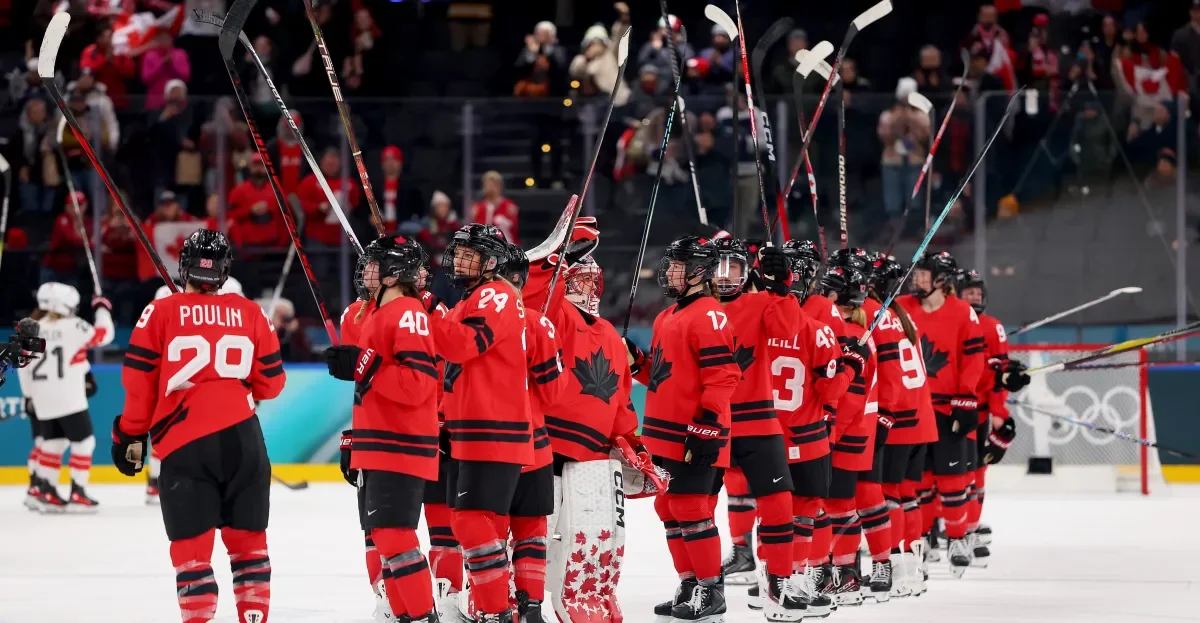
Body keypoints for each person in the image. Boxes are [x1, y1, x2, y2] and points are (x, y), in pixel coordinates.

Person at [112, 230, 285, 623]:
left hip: (186, 442)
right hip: (245, 440)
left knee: (192, 553)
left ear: (183, 266)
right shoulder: (251, 311)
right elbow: (273, 385)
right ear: (225, 271)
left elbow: (138, 384)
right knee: (250, 548)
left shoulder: (160, 311)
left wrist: (129, 434)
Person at [520, 219, 648, 623]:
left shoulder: (611, 334)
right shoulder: (557, 318)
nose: (586, 288)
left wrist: (630, 439)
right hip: (549, 445)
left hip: (593, 453)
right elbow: (535, 299)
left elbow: (622, 396)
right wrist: (560, 255)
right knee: (539, 525)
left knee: (597, 534)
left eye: (591, 281)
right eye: (579, 279)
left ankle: (591, 595)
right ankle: (520, 596)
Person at [325, 236, 442, 623]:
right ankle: (409, 615)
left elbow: (419, 384)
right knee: (386, 537)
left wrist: (365, 364)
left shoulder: (407, 313)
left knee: (394, 535)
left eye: (375, 264)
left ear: (394, 274)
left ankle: (424, 615)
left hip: (401, 442)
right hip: (379, 441)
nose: (367, 270)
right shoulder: (375, 315)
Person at [625, 235, 741, 623]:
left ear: (699, 272)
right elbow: (660, 376)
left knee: (692, 509)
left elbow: (724, 376)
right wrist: (635, 360)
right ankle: (691, 583)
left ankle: (712, 591)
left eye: (678, 265)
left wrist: (707, 425)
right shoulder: (666, 316)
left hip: (695, 433)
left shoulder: (709, 314)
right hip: (663, 433)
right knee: (668, 508)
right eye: (671, 264)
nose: (669, 271)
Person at [706, 238, 807, 620]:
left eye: (732, 267)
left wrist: (782, 284)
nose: (724, 275)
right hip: (712, 427)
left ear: (746, 271)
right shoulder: (696, 309)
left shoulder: (762, 302)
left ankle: (778, 582)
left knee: (779, 505)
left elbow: (789, 331)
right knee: (697, 508)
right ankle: (702, 587)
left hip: (760, 424)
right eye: (718, 267)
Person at [435, 224, 531, 623]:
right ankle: (495, 609)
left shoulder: (495, 294)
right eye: (457, 252)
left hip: (491, 427)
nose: (458, 260)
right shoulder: (473, 299)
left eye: (469, 253)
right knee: (481, 521)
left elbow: (462, 346)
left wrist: (425, 308)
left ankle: (496, 611)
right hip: (474, 427)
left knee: (469, 520)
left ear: (491, 261)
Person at [482, 242, 566, 623]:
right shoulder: (538, 323)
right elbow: (553, 393)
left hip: (494, 445)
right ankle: (531, 608)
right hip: (535, 443)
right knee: (532, 531)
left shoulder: (475, 316)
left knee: (491, 531)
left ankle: (495, 607)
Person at [898, 251, 985, 577]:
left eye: (924, 273)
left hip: (949, 407)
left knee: (952, 481)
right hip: (914, 408)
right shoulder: (903, 306)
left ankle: (958, 538)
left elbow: (974, 358)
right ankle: (918, 543)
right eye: (917, 273)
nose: (917, 279)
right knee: (916, 482)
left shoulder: (963, 312)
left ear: (940, 280)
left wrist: (966, 397)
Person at [863, 251, 936, 597]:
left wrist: (884, 414)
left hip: (897, 418)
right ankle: (912, 568)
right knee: (909, 494)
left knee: (888, 495)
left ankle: (892, 564)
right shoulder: (901, 314)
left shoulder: (874, 315)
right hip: (920, 417)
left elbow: (887, 372)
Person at [17, 282, 114, 512]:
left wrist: (29, 395)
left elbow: (23, 367)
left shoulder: (30, 329)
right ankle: (78, 492)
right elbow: (104, 335)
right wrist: (102, 309)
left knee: (53, 442)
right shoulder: (74, 326)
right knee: (84, 443)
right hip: (69, 397)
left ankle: (47, 492)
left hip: (42, 398)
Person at [957, 268, 1007, 567]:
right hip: (949, 410)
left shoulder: (993, 326)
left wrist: (1000, 412)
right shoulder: (953, 321)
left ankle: (970, 529)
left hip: (979, 412)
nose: (975, 297)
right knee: (944, 477)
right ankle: (944, 529)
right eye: (969, 292)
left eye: (978, 292)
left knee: (975, 474)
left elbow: (1000, 374)